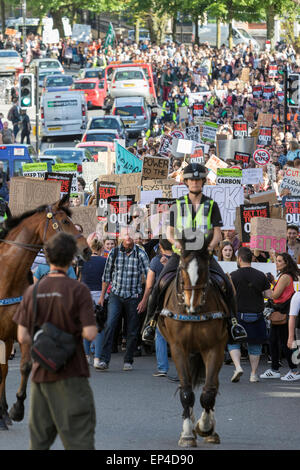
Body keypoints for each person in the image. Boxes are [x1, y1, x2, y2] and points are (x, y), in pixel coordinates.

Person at [142, 163, 247, 343]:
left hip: (204, 254)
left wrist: (210, 246)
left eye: (198, 179)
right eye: (192, 179)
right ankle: (151, 323)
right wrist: (177, 244)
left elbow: (217, 233)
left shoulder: (211, 205)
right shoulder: (177, 204)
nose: (195, 182)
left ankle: (233, 322)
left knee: (226, 284)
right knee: (160, 284)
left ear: (203, 182)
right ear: (186, 182)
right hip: (180, 255)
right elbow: (170, 232)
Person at [13, 232, 97, 450]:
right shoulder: (79, 290)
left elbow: (22, 336)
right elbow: (90, 334)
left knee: (39, 443)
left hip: (41, 376)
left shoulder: (32, 292)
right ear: (71, 259)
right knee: (79, 441)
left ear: (47, 258)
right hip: (73, 374)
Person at [97, 226, 149, 371]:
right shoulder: (113, 253)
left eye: (131, 235)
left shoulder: (141, 254)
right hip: (116, 294)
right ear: (120, 236)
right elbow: (106, 276)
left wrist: (144, 299)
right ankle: (104, 360)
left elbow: (149, 276)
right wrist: (102, 297)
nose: (128, 237)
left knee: (132, 329)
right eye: (126, 234)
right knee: (110, 325)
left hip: (133, 296)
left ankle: (128, 360)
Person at [229, 247, 272, 383]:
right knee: (255, 345)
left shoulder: (233, 275)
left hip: (237, 317)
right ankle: (253, 374)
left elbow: (230, 295)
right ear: (252, 259)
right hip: (256, 316)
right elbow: (268, 295)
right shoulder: (261, 275)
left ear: (239, 259)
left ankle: (238, 367)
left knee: (233, 342)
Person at [260, 253, 300, 381]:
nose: (276, 263)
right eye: (276, 261)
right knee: (273, 341)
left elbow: (276, 295)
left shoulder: (285, 276)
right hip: (280, 313)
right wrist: (272, 281)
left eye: (279, 261)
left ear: (286, 263)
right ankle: (275, 369)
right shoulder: (284, 276)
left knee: (284, 343)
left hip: (283, 313)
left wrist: (263, 290)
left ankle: (294, 371)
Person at [142, 237, 173, 377]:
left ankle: (162, 368)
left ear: (160, 247)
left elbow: (149, 285)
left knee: (159, 332)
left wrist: (144, 300)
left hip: (160, 300)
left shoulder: (156, 260)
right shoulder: (179, 259)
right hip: (177, 299)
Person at [80, 233, 107, 369]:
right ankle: (97, 358)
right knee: (99, 328)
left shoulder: (83, 261)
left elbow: (78, 280)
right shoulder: (104, 261)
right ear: (101, 247)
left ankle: (86, 357)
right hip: (99, 296)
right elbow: (106, 280)